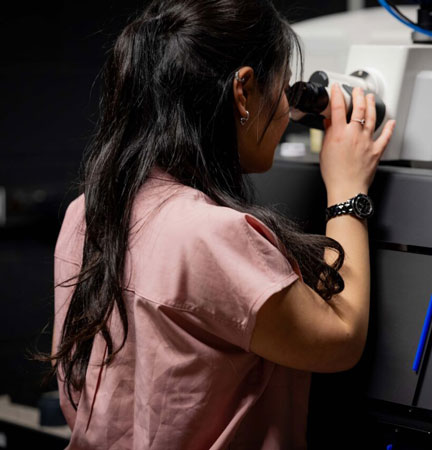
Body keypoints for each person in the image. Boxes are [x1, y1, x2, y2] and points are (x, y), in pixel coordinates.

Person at [50, 0, 395, 448]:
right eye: (282, 87)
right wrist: (348, 188)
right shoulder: (211, 235)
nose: (288, 111)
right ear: (243, 90)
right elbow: (340, 340)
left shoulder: (88, 211)